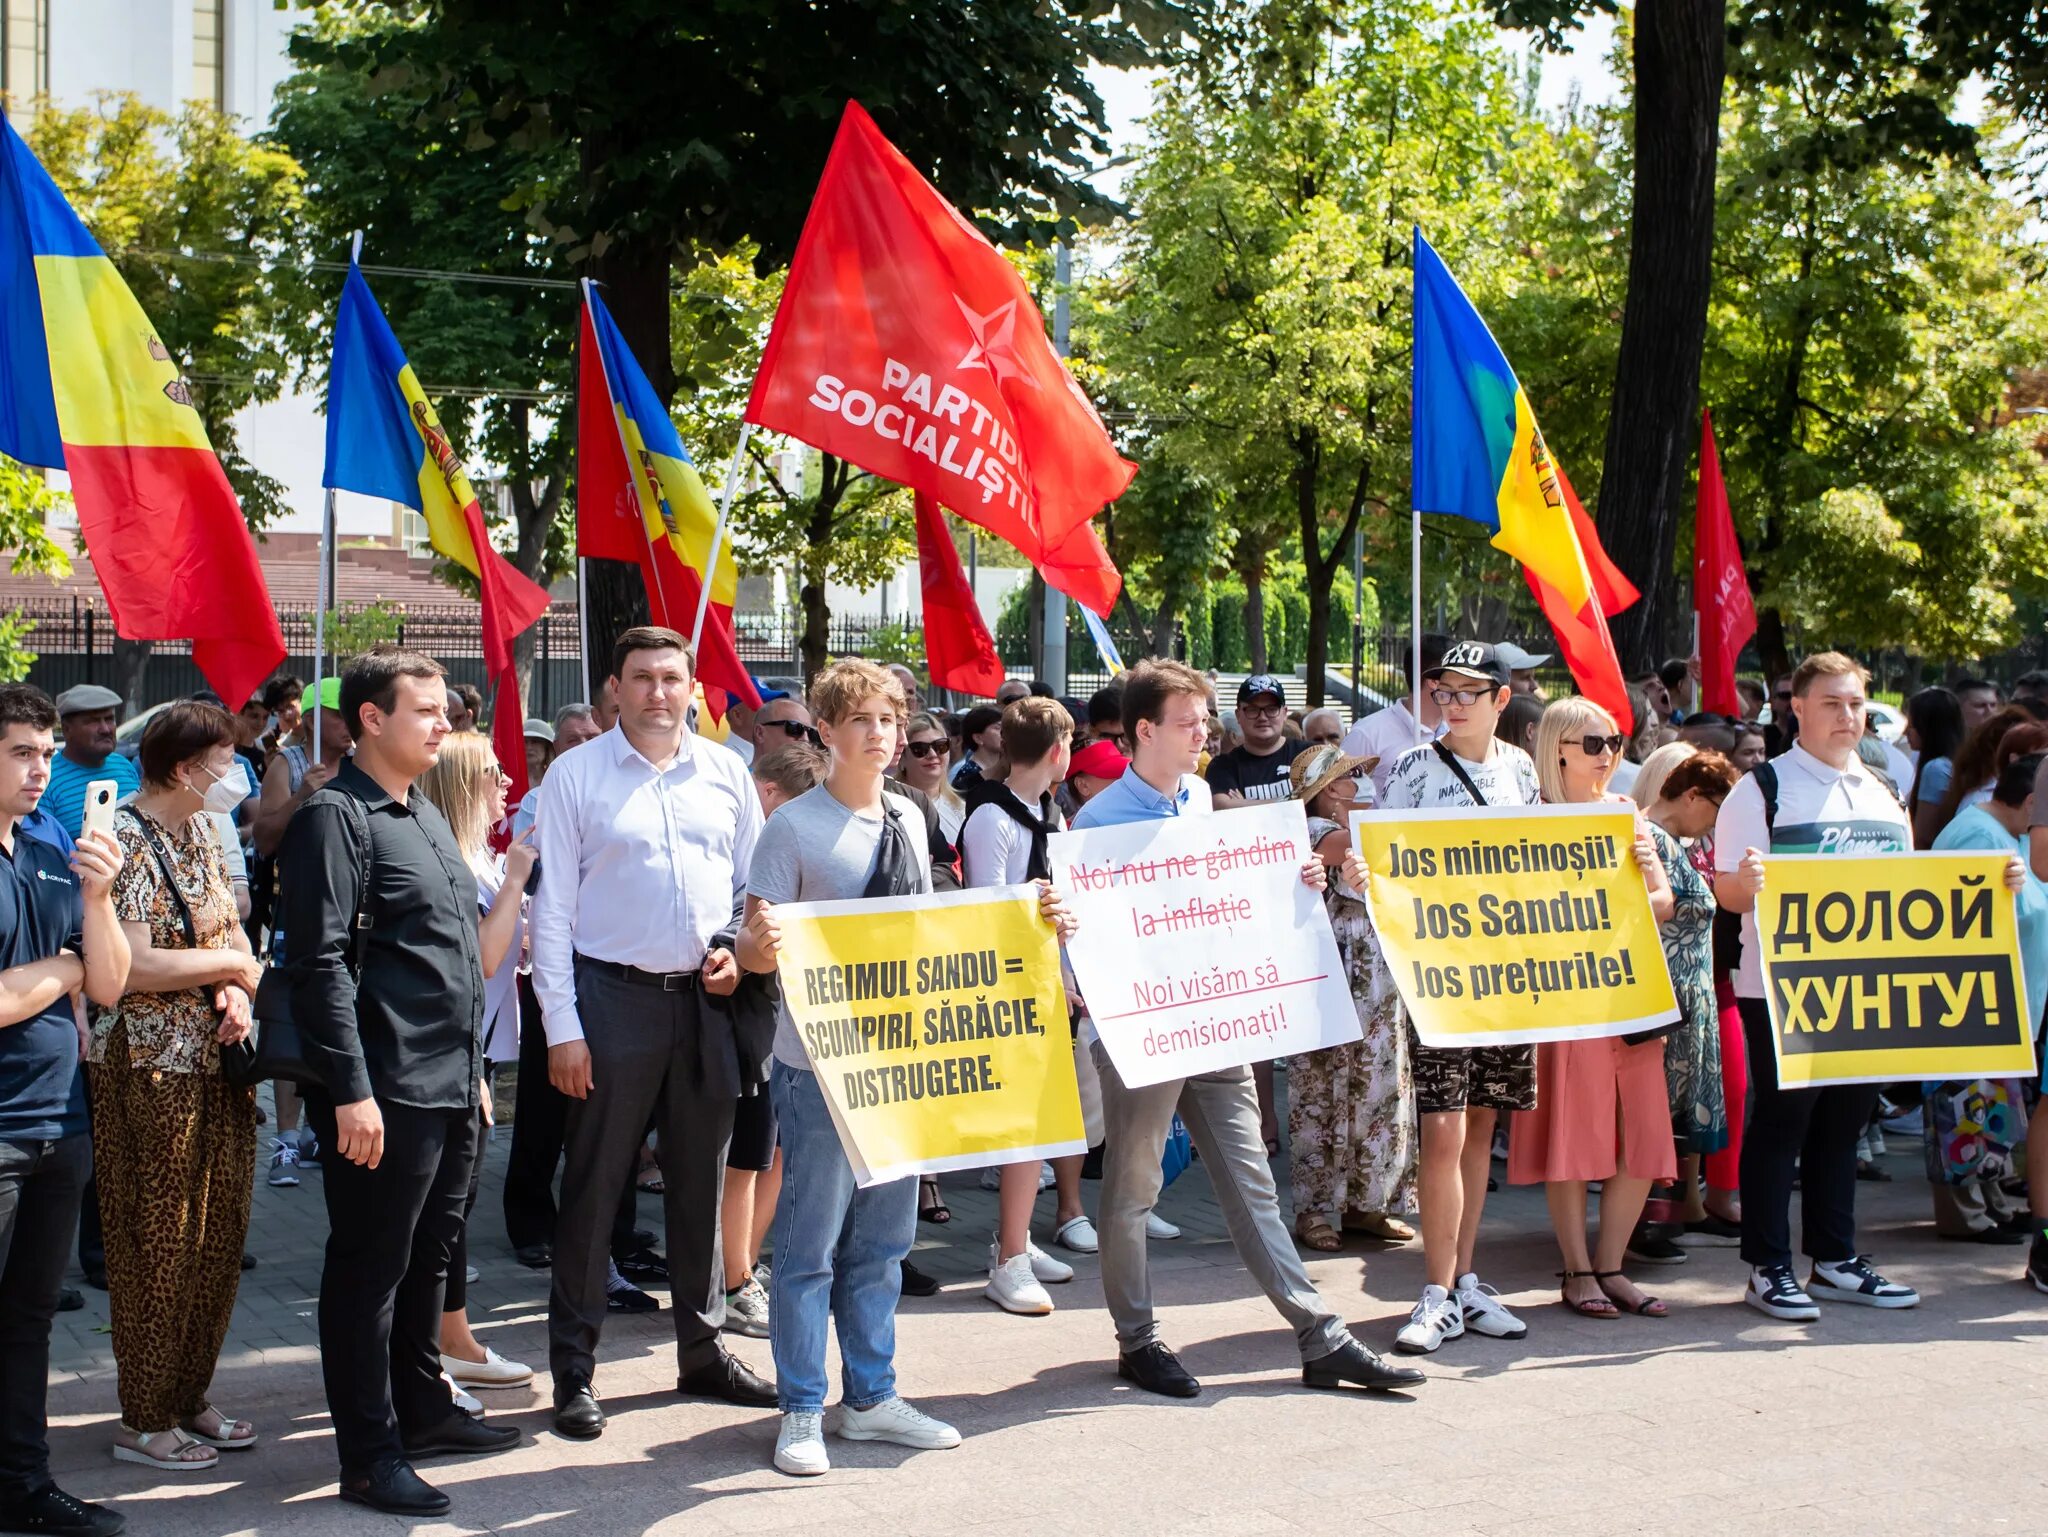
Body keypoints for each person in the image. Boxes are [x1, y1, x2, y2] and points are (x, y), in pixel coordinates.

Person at [1071, 659, 1422, 1398]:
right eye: (1188, 721)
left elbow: (1230, 893)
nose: (1205, 731)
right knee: (1133, 1189)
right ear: (1144, 730)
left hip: (1214, 1021)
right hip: (1146, 1031)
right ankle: (1138, 1338)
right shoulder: (1098, 822)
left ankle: (1319, 1334)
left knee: (1253, 1182)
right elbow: (1092, 935)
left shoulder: (1200, 796)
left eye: (1204, 718)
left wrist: (1293, 882)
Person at [740, 661, 1035, 1477]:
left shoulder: (909, 816)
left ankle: (869, 1398)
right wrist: (755, 947)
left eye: (890, 720)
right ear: (827, 732)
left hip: (903, 1065)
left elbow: (940, 926)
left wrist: (1033, 915)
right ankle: (801, 1407)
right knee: (808, 1249)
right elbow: (752, 942)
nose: (881, 733)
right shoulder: (792, 828)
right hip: (822, 1067)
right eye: (862, 719)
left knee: (882, 1244)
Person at [280, 646, 520, 1518]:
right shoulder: (334, 819)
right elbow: (320, 965)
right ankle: (369, 1453)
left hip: (452, 1085)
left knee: (430, 1261)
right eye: (425, 710)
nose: (444, 723)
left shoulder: (417, 815)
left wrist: (475, 1074)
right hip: (384, 1090)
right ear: (370, 718)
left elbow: (451, 957)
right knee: (369, 1271)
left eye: (444, 711)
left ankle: (422, 1409)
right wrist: (349, 1089)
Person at [529, 626, 775, 1442]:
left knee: (700, 1187)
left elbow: (752, 890)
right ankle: (575, 1368)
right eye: (642, 678)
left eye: (672, 677)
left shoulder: (727, 771)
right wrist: (563, 1029)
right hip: (610, 1000)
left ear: (693, 687)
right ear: (615, 688)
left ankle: (701, 1351)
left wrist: (740, 960)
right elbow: (552, 910)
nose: (659, 693)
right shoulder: (575, 775)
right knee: (596, 1188)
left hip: (706, 1001)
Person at [1713, 651, 1952, 1321]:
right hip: (1778, 990)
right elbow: (1727, 892)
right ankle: (1767, 1266)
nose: (1847, 715)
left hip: (1864, 990)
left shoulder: (1881, 788)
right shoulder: (1761, 789)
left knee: (1845, 1122)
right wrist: (1747, 884)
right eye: (1832, 703)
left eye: (1855, 704)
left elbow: (1906, 891)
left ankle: (1835, 1256)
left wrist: (1992, 884)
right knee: (1784, 1122)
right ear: (1798, 708)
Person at [91, 702, 264, 1473]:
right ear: (184, 765)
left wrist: (239, 989)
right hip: (149, 1067)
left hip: (215, 1060)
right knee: (157, 1240)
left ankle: (190, 1393)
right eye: (222, 761)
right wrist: (229, 970)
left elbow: (232, 930)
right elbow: (132, 967)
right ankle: (144, 1415)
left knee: (217, 1237)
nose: (233, 775)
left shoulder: (199, 829)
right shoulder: (121, 835)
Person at [1378, 642, 1541, 1355]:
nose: (1452, 702)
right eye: (1445, 690)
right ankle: (1437, 1289)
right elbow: (1382, 864)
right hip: (1438, 974)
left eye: (1469, 691)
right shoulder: (1414, 769)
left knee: (1481, 1127)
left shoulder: (1522, 768)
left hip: (1502, 974)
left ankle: (1466, 1278)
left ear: (1502, 698)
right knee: (1440, 1131)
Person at [0, 685, 130, 1537]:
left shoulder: (51, 839)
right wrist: (65, 971)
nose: (41, 767)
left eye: (45, 752)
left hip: (61, 1120)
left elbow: (111, 978)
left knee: (28, 1320)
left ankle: (20, 1483)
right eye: (21, 752)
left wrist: (99, 901)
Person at [1504, 699, 1678, 1318]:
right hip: (1565, 998)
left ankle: (1613, 1267)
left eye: (1614, 742)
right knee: (1574, 1135)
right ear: (1557, 750)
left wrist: (1637, 887)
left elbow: (1664, 901)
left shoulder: (1625, 813)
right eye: (1594, 743)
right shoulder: (1529, 820)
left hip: (1631, 993)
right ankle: (1578, 1270)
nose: (1609, 755)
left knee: (1641, 1135)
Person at [956, 698, 1091, 1315]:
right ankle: (1008, 1256)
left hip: (1046, 984)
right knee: (1020, 1122)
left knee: (1039, 1120)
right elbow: (984, 912)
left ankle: (1018, 1238)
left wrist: (1067, 973)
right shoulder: (992, 817)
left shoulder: (1048, 813)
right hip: (1009, 987)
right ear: (1059, 750)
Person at [415, 734, 538, 1398]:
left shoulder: (477, 858)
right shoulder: (463, 865)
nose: (507, 786)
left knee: (453, 1209)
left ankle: (453, 1337)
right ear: (465, 784)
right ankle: (435, 1350)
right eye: (494, 775)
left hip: (477, 1051)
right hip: (461, 1053)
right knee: (441, 1211)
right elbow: (484, 960)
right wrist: (517, 882)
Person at [717, 744, 829, 1342]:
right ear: (768, 796)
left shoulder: (790, 841)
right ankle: (732, 1279)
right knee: (749, 1155)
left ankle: (745, 1264)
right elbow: (735, 923)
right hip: (751, 1024)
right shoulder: (760, 847)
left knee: (777, 1152)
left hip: (797, 1023)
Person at [1286, 743, 1414, 1252]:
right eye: (1348, 777)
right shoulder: (1318, 833)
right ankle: (1315, 1209)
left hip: (1377, 978)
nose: (1359, 782)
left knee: (1377, 1089)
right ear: (1328, 790)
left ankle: (1368, 1204)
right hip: (1330, 974)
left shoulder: (1360, 828)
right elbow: (1359, 844)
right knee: (1321, 1088)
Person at [1927, 750, 2048, 1245]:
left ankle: (1991, 1204)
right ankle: (1965, 1214)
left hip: (2008, 1001)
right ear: (2032, 801)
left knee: (1993, 1108)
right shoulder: (1977, 835)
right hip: (1972, 998)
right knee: (1964, 1108)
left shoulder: (2009, 834)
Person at [253, 679, 354, 1188]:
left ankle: (327, 1130)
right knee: (292, 1021)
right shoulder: (286, 765)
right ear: (313, 719)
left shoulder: (365, 763)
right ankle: (288, 1142)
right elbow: (265, 839)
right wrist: (303, 797)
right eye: (340, 713)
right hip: (298, 911)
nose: (350, 722)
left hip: (352, 914)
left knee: (341, 1020)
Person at [1640, 751, 1740, 1241]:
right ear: (1694, 796)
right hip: (1667, 992)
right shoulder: (1651, 838)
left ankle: (1667, 1217)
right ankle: (1648, 1222)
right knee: (1658, 1111)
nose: (1717, 824)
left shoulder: (1669, 840)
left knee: (1673, 1112)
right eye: (1717, 810)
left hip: (1686, 992)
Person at [1342, 635, 1449, 801]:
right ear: (1434, 682)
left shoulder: (1457, 732)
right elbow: (1339, 800)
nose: (1466, 686)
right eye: (1458, 678)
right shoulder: (1367, 734)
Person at [43, 686, 137, 839]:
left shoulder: (124, 766)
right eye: (93, 721)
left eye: (109, 719)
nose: (106, 729)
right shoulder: (46, 779)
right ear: (67, 730)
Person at [1206, 675, 1309, 809]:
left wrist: (1244, 805)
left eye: (1271, 709)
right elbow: (1224, 807)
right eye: (1252, 710)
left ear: (1284, 713)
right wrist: (1298, 800)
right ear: (1238, 715)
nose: (1262, 717)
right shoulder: (1222, 766)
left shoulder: (1309, 754)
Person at [509, 704, 601, 840]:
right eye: (572, 740)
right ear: (556, 747)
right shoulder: (535, 802)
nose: (583, 745)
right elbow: (525, 856)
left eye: (592, 738)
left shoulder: (629, 790)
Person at [897, 713, 966, 844]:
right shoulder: (889, 809)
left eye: (940, 746)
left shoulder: (962, 810)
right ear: (902, 758)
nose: (932, 754)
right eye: (920, 749)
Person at [1059, 738, 1127, 824]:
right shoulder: (1066, 833)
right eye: (1115, 776)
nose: (1124, 782)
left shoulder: (1134, 817)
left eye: (1124, 775)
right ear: (1083, 786)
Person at [950, 704, 1003, 791]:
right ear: (978, 738)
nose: (1004, 732)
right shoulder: (967, 777)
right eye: (997, 728)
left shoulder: (1008, 769)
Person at [523, 718, 555, 791]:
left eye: (535, 742)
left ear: (547, 747)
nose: (529, 747)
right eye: (524, 742)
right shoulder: (508, 780)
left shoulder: (556, 779)